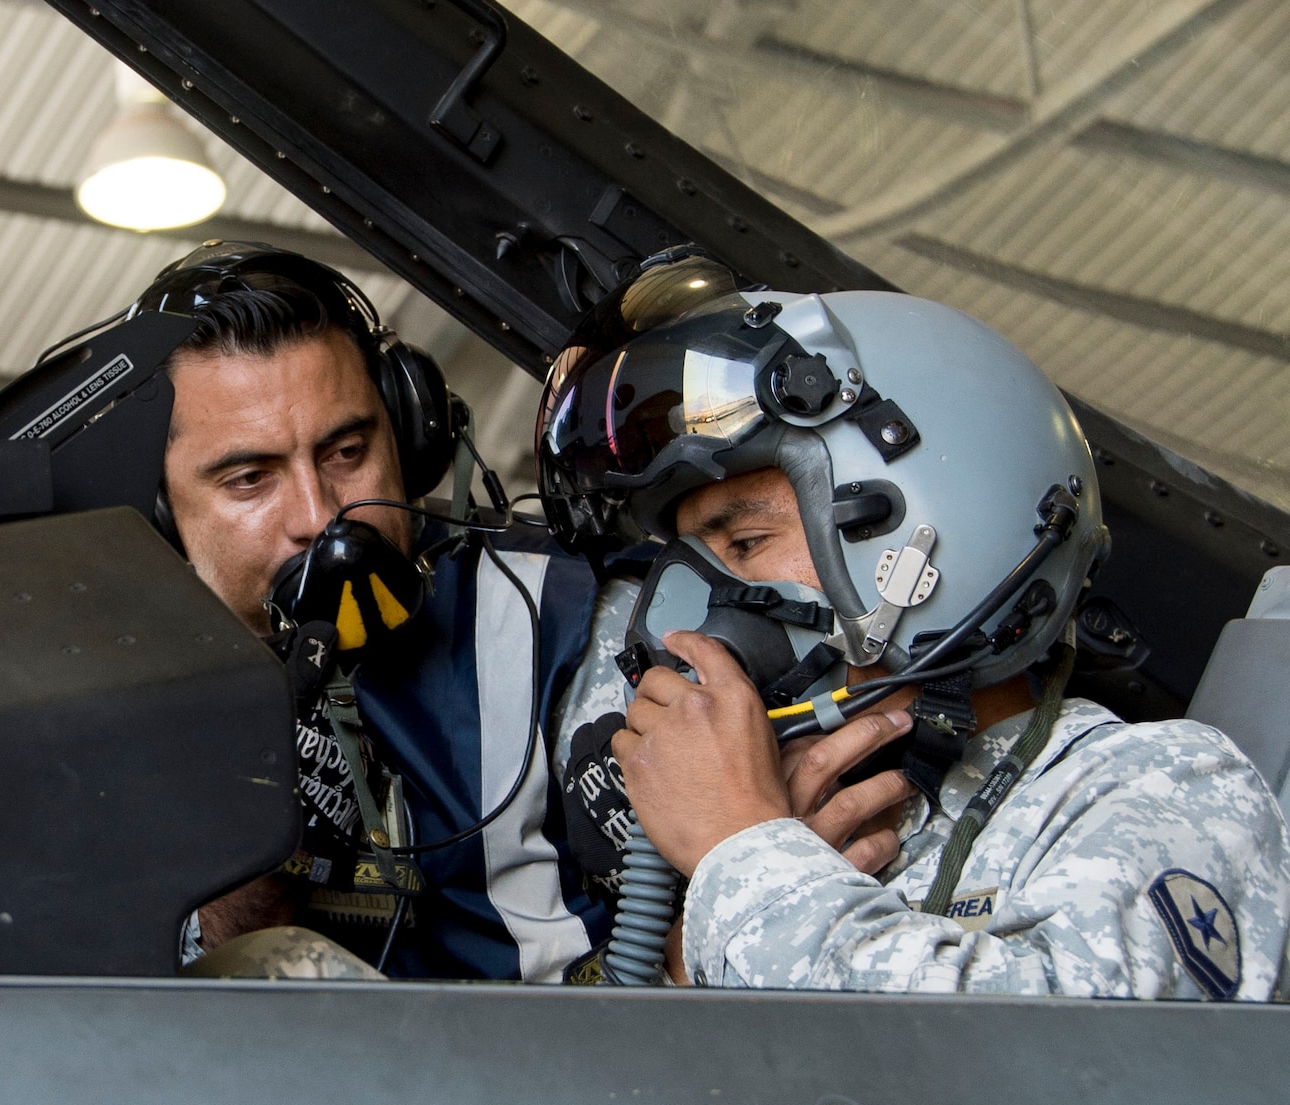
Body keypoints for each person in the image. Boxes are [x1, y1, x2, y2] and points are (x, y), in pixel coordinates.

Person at [533, 253, 1290, 998]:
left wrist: (745, 856)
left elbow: (1059, 1085)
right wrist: (684, 958)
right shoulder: (789, 824)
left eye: (746, 544)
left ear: (927, 528)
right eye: (689, 560)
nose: (682, 615)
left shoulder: (1158, 787)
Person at [126, 241, 637, 981]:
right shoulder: (105, 695)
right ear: (164, 511)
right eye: (249, 478)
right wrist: (251, 848)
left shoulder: (553, 622)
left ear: (409, 432)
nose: (318, 515)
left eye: (346, 451)